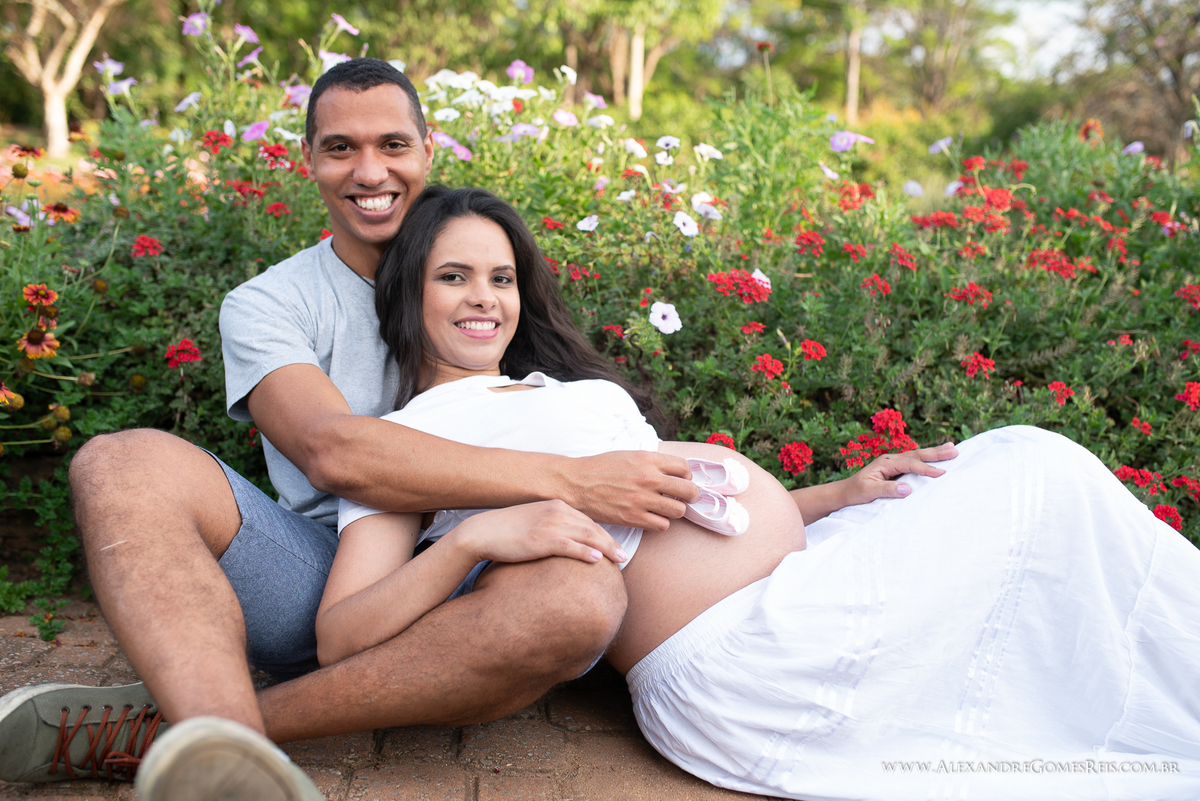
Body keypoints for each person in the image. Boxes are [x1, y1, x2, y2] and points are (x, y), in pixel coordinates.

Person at [336, 185, 1200, 800]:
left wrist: (838, 493)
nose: (485, 299)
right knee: (1035, 470)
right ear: (409, 288)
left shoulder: (535, 389)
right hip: (743, 653)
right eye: (455, 276)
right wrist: (469, 541)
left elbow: (690, 501)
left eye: (501, 278)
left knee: (1013, 467)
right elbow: (341, 634)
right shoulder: (404, 442)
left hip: (798, 580)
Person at [0, 59, 702, 801]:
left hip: (497, 584)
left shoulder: (484, 267)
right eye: (341, 147)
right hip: (320, 579)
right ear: (308, 159)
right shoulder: (270, 303)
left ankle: (191, 735)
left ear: (427, 150)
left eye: (392, 144)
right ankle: (221, 750)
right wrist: (570, 482)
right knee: (121, 461)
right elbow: (331, 450)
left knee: (579, 599)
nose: (370, 171)